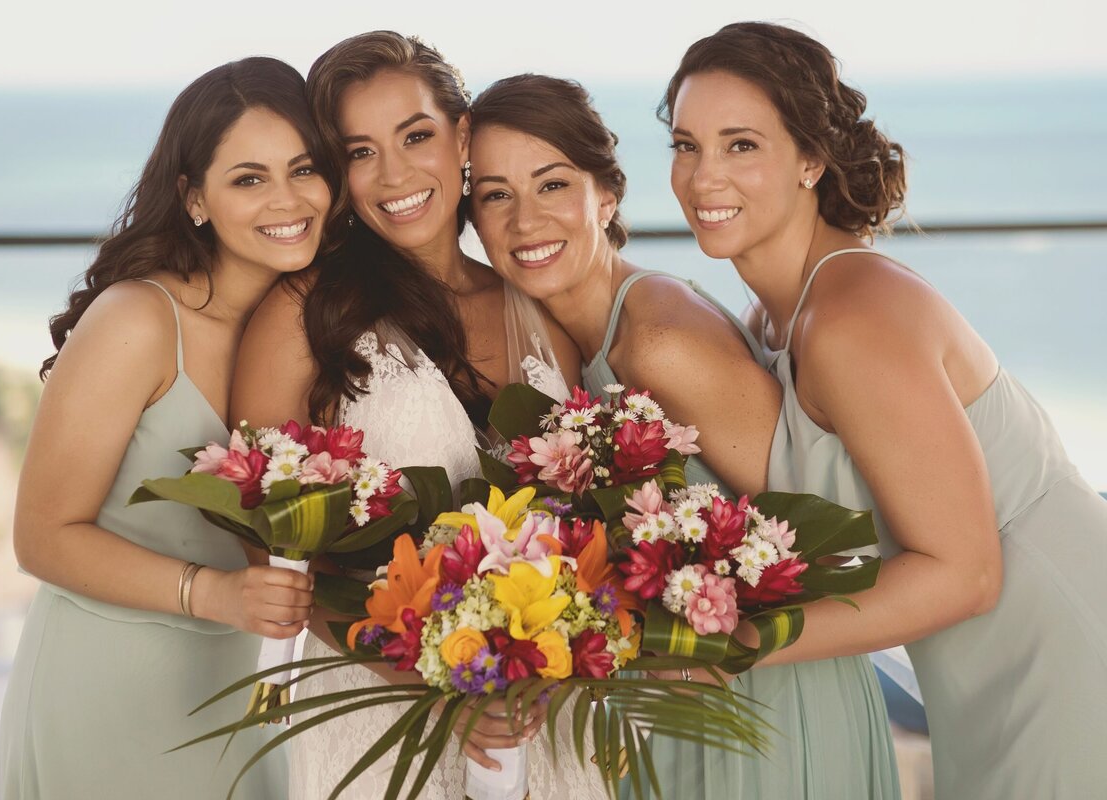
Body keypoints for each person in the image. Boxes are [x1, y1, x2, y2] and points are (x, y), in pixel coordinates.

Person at [664, 21, 1107, 800]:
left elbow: (967, 573)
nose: (704, 178)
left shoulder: (851, 322)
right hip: (973, 663)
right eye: (687, 145)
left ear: (810, 160)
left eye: (741, 146)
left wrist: (734, 641)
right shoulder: (774, 313)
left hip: (1056, 645)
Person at [467, 73, 903, 799]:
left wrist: (714, 643)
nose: (524, 221)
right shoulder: (557, 351)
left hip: (766, 706)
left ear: (605, 196)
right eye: (494, 195)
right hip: (666, 709)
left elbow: (823, 545)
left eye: (551, 186)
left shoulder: (659, 341)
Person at [230, 32, 587, 799]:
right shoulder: (303, 317)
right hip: (377, 718)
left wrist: (524, 675)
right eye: (360, 152)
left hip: (539, 715)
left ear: (461, 136)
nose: (394, 175)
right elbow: (271, 553)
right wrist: (444, 679)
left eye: (416, 136)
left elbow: (584, 522)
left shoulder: (541, 314)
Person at [0, 57, 333, 799]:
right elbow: (41, 535)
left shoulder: (310, 329)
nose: (287, 200)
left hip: (237, 697)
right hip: (107, 691)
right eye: (249, 179)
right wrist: (211, 593)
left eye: (304, 169)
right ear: (194, 200)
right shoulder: (139, 320)